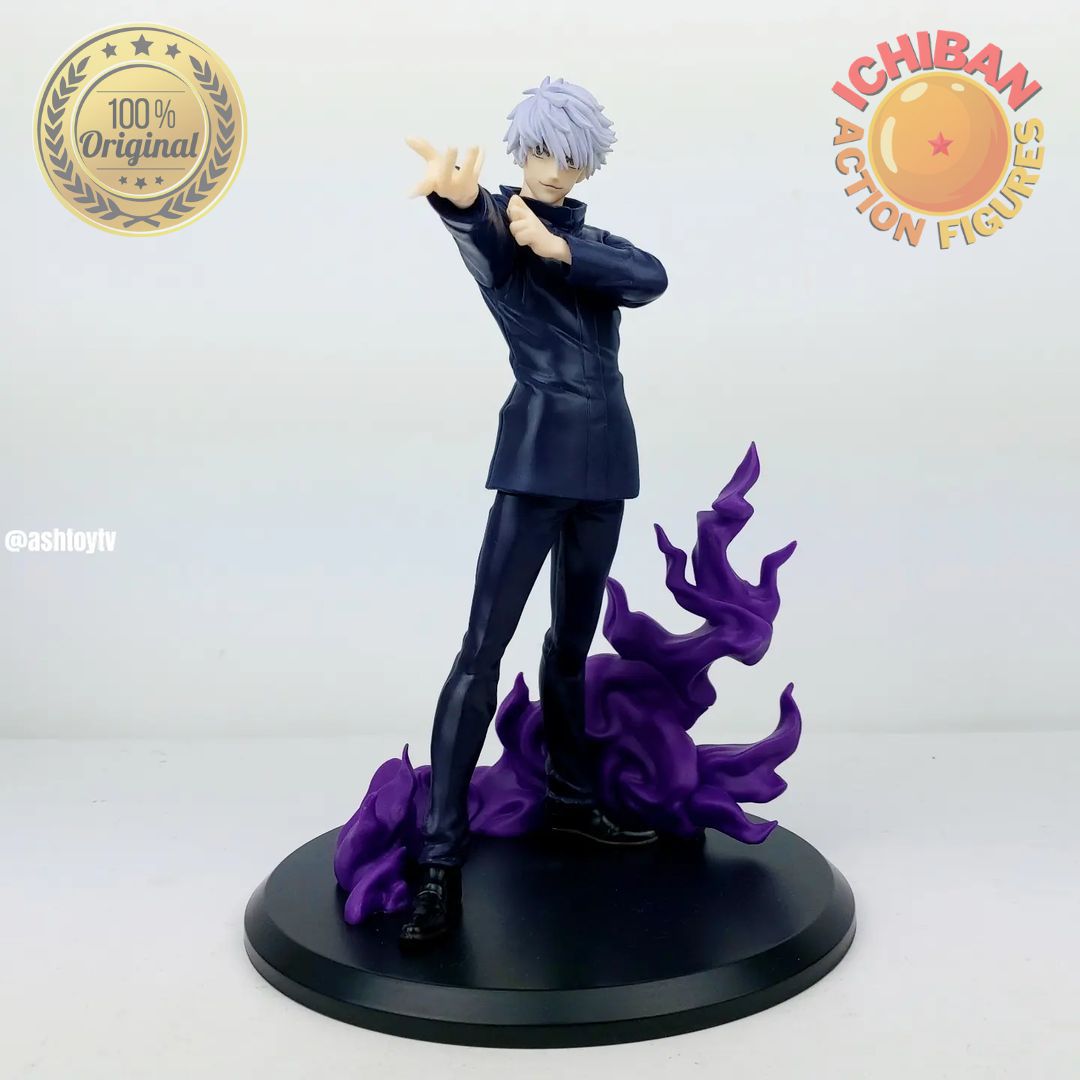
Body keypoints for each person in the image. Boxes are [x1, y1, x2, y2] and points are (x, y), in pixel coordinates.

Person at [400, 76, 668, 948]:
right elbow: (484, 238)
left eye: (568, 155)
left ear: (587, 162)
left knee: (571, 646)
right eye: (541, 150)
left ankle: (572, 800)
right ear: (522, 150)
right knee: (482, 650)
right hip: (534, 462)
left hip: (606, 466)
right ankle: (440, 859)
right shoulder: (506, 229)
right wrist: (459, 202)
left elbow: (651, 277)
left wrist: (559, 248)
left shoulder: (584, 242)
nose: (552, 168)